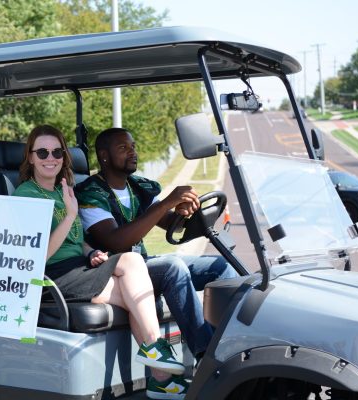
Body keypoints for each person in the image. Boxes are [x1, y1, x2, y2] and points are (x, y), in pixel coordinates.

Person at [13, 125, 188, 399]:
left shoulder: (64, 190)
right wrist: (71, 216)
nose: (51, 158)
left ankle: (161, 381)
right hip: (50, 276)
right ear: (31, 157)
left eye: (57, 151)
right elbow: (37, 255)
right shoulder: (26, 195)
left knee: (134, 295)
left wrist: (88, 251)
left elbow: (74, 239)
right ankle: (157, 352)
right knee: (131, 263)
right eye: (43, 152)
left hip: (77, 268)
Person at [75, 127, 238, 397]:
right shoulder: (90, 195)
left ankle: (231, 344)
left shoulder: (138, 186)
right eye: (123, 148)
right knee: (173, 268)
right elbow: (116, 242)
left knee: (219, 267)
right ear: (104, 156)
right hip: (116, 272)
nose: (133, 152)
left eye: (133, 146)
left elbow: (170, 224)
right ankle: (207, 358)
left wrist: (186, 212)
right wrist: (165, 205)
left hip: (143, 265)